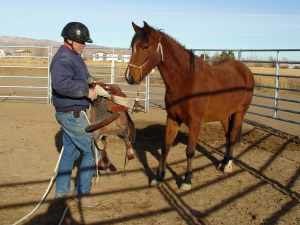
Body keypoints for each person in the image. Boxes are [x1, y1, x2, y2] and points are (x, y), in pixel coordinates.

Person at [50, 21, 98, 207]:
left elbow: (80, 76)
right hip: (71, 114)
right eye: (81, 42)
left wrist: (92, 82)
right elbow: (61, 84)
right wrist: (86, 92)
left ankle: (61, 192)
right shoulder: (63, 58)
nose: (84, 45)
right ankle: (83, 195)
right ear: (69, 40)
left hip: (73, 112)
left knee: (69, 152)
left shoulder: (74, 56)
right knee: (90, 151)